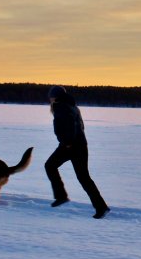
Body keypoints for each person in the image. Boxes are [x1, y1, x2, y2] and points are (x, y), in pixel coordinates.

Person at [45, 86, 110, 219]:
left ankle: (61, 196)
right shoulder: (72, 105)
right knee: (84, 178)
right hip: (80, 145)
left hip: (70, 145)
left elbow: (71, 126)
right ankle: (101, 207)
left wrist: (67, 143)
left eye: (51, 96)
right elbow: (79, 125)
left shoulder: (60, 106)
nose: (50, 98)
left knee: (50, 166)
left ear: (55, 96)